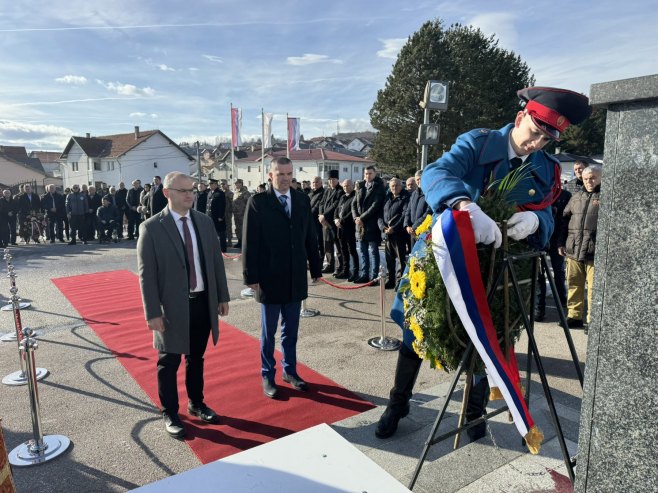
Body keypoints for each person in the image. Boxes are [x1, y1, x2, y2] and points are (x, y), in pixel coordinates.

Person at [375, 86, 592, 441]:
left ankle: (474, 414)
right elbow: (434, 172)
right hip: (445, 262)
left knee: (486, 338)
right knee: (415, 334)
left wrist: (538, 223)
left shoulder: (545, 168)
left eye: (546, 140)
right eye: (534, 132)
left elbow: (550, 213)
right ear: (521, 117)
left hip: (498, 271)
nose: (536, 144)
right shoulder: (478, 143)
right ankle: (398, 403)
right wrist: (463, 205)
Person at [137, 171, 230, 439]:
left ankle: (196, 403)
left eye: (192, 190)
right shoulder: (152, 227)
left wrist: (222, 296)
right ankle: (169, 411)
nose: (190, 195)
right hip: (171, 308)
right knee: (169, 361)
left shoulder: (204, 222)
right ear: (167, 193)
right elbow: (147, 275)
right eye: (183, 191)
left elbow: (215, 263)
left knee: (196, 358)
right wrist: (152, 312)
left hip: (202, 302)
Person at [242, 157, 323, 399]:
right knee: (269, 333)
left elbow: (310, 235)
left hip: (295, 275)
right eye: (281, 174)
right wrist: (250, 276)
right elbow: (250, 241)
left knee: (292, 330)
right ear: (270, 175)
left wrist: (316, 267)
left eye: (289, 174)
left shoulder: (301, 199)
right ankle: (268, 374)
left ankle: (290, 371)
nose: (286, 178)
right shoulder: (258, 202)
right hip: (269, 277)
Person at [558, 165, 602, 329]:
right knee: (574, 284)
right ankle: (574, 316)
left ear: (600, 178)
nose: (589, 181)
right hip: (573, 249)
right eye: (586, 178)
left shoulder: (608, 197)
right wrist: (561, 243)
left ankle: (592, 320)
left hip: (595, 251)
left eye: (593, 178)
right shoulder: (575, 197)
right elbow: (564, 220)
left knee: (593, 287)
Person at [535, 186, 571, 321]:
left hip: (556, 240)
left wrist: (562, 242)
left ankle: (561, 300)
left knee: (558, 271)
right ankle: (539, 308)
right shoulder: (538, 192)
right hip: (541, 239)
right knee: (539, 274)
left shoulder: (565, 195)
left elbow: (565, 221)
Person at [352, 165, 386, 283]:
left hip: (371, 225)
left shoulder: (379, 187)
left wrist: (361, 218)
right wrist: (356, 217)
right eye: (366, 174)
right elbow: (354, 204)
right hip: (360, 225)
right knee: (362, 251)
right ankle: (364, 274)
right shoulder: (360, 187)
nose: (368, 176)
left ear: (375, 173)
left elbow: (375, 206)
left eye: (370, 173)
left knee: (373, 251)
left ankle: (374, 276)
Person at [380, 178, 409, 289]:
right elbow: (380, 215)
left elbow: (404, 215)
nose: (394, 188)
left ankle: (399, 282)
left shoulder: (405, 198)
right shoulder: (387, 198)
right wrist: (383, 227)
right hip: (387, 233)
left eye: (396, 185)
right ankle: (390, 280)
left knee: (400, 260)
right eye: (392, 186)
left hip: (399, 234)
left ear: (401, 186)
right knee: (389, 259)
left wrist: (394, 228)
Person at [318, 170, 344, 275]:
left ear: (337, 180)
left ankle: (340, 267)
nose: (331, 181)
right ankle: (329, 265)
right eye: (329, 179)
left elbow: (335, 205)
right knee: (327, 244)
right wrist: (320, 215)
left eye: (333, 179)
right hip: (324, 222)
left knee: (338, 246)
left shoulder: (340, 191)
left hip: (334, 222)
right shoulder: (327, 190)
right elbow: (321, 203)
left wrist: (324, 215)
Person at [334, 179, 359, 280]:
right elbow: (337, 209)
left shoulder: (355, 196)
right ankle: (345, 270)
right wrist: (336, 219)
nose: (346, 188)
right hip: (340, 228)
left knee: (352, 250)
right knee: (343, 250)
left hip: (349, 228)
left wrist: (342, 221)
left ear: (352, 186)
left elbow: (352, 212)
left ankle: (355, 271)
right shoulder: (342, 197)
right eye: (344, 186)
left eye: (348, 186)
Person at [404, 170, 432, 251]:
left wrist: (414, 226)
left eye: (420, 179)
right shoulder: (414, 194)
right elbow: (408, 210)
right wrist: (406, 225)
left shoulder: (429, 193)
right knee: (414, 256)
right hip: (412, 232)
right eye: (417, 179)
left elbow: (428, 212)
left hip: (424, 231)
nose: (419, 181)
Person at [206, 179, 227, 252]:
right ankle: (214, 247)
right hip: (210, 217)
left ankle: (223, 249)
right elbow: (208, 206)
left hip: (218, 217)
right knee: (211, 233)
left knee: (221, 233)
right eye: (209, 184)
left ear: (215, 184)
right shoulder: (209, 193)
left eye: (211, 184)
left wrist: (221, 216)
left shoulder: (220, 193)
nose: (209, 185)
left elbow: (222, 205)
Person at [309, 176, 325, 264]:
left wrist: (307, 215)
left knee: (319, 243)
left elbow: (317, 207)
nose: (314, 184)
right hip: (309, 222)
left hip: (317, 222)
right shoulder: (311, 193)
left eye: (316, 182)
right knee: (310, 243)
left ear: (321, 183)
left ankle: (320, 261)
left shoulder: (322, 193)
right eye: (313, 182)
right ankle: (312, 261)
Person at [232, 179, 250, 249]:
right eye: (235, 183)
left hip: (243, 214)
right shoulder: (236, 192)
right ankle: (239, 242)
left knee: (243, 229)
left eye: (237, 183)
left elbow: (248, 204)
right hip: (236, 214)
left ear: (241, 183)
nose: (236, 185)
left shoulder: (246, 193)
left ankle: (244, 243)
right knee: (237, 229)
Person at [220, 181, 233, 247]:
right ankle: (223, 240)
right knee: (222, 227)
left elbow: (232, 203)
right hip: (221, 212)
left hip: (227, 212)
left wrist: (231, 211)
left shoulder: (230, 193)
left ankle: (230, 241)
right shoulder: (220, 192)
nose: (222, 186)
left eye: (223, 184)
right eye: (221, 184)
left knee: (228, 226)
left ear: (227, 185)